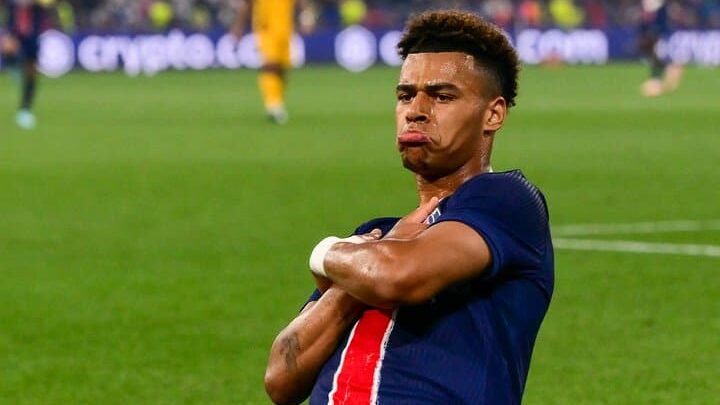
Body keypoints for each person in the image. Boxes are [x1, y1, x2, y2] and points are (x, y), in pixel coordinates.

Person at [264, 10, 554, 405]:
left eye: (442, 96)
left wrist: (326, 252)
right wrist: (352, 284)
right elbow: (281, 378)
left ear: (493, 113)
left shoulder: (506, 202)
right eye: (405, 95)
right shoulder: (377, 237)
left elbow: (399, 276)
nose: (415, 110)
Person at [231, 0, 315, 124]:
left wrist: (307, 19)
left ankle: (277, 101)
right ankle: (272, 105)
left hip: (285, 29)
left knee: (282, 69)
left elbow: (302, 3)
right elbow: (246, 5)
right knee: (270, 64)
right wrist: (238, 26)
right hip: (266, 29)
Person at [0, 0, 53, 129]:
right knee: (9, 48)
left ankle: (25, 109)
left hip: (32, 32)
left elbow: (47, 4)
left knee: (31, 72)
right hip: (14, 29)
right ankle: (13, 67)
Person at [638, 0, 683, 97]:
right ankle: (661, 77)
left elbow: (659, 20)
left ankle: (658, 79)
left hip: (661, 35)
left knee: (658, 56)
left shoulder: (660, 11)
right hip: (659, 34)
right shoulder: (658, 12)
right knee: (657, 57)